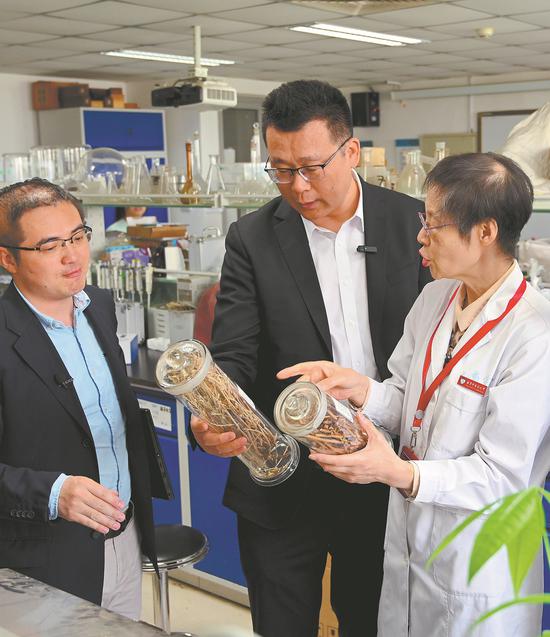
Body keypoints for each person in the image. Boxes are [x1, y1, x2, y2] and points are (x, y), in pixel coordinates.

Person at [190, 79, 431, 637]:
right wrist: (212, 417)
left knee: (373, 620)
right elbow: (233, 354)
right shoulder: (251, 237)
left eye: (311, 167)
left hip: (381, 466)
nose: (296, 187)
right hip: (283, 472)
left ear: (351, 152)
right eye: (279, 169)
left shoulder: (413, 224)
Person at [279, 153, 550, 636]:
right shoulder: (434, 299)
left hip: (478, 567)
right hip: (409, 552)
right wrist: (362, 389)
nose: (421, 237)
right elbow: (410, 401)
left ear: (485, 232)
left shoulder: (534, 335)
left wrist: (400, 473)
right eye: (423, 221)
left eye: (435, 225)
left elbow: (503, 475)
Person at [0, 178, 157, 620]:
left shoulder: (98, 307)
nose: (72, 256)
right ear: (7, 258)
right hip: (45, 556)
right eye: (49, 245)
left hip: (124, 536)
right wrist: (53, 493)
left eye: (77, 236)